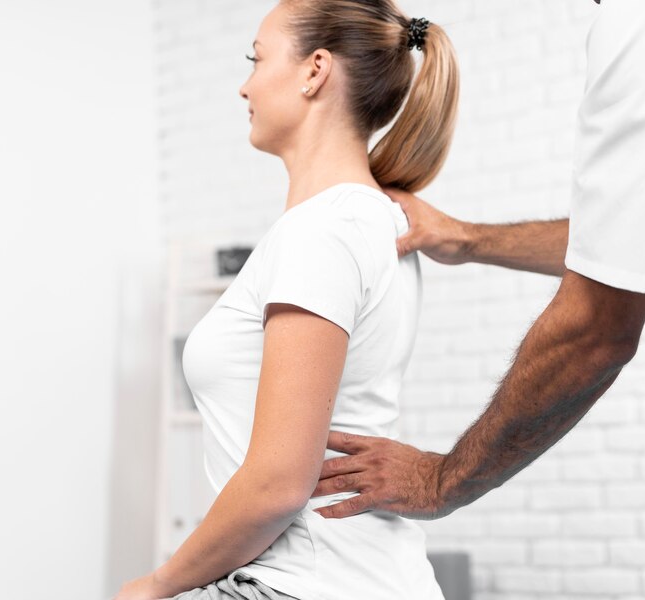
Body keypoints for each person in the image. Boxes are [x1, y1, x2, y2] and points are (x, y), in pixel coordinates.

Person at [312, 0, 645, 598]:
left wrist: (442, 481)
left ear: (315, 71)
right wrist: (467, 239)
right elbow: (642, 239)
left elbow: (595, 329)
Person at [112, 1, 459, 599]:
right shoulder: (366, 219)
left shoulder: (322, 230)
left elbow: (277, 483)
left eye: (257, 58)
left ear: (315, 71)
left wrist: (155, 585)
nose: (244, 84)